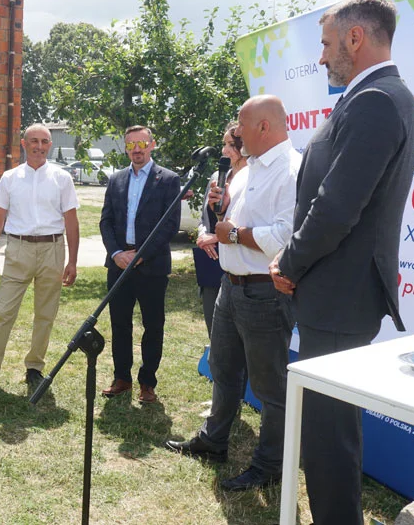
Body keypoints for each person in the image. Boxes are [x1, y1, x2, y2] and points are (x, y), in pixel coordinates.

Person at [269, 0, 414, 524]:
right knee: (327, 430)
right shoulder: (373, 97)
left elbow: (337, 207)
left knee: (328, 438)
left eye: (328, 43)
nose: (322, 56)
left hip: (339, 297)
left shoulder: (377, 100)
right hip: (335, 295)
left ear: (356, 39)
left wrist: (288, 264)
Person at [167, 95, 300, 492]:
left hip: (264, 292)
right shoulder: (245, 171)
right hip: (231, 284)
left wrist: (235, 235)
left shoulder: (293, 170)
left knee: (269, 386)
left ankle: (270, 464)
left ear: (265, 126)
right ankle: (214, 441)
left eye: (243, 125)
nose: (237, 134)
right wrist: (220, 226)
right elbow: (226, 224)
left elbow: (285, 238)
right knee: (223, 369)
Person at [0, 123, 80, 392]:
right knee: (3, 311)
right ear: (24, 143)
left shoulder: (62, 179)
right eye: (34, 141)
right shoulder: (9, 178)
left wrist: (72, 261)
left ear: (50, 146)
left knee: (45, 314)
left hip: (52, 250)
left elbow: (72, 222)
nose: (39, 146)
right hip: (18, 249)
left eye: (44, 141)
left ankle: (35, 367)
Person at [98, 125, 180, 404]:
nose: (136, 149)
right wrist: (116, 253)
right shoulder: (116, 179)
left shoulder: (168, 180)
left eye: (142, 144)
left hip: (151, 266)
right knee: (119, 324)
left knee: (153, 325)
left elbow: (169, 225)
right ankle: (122, 378)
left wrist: (141, 255)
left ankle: (148, 383)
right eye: (131, 144)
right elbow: (105, 221)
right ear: (125, 147)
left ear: (152, 145)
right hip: (119, 265)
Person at [193, 123, 246, 336]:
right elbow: (203, 218)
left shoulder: (254, 178)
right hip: (211, 264)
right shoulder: (217, 176)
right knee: (214, 331)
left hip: (238, 265)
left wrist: (216, 236)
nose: (224, 150)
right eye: (224, 144)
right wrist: (202, 235)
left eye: (231, 144)